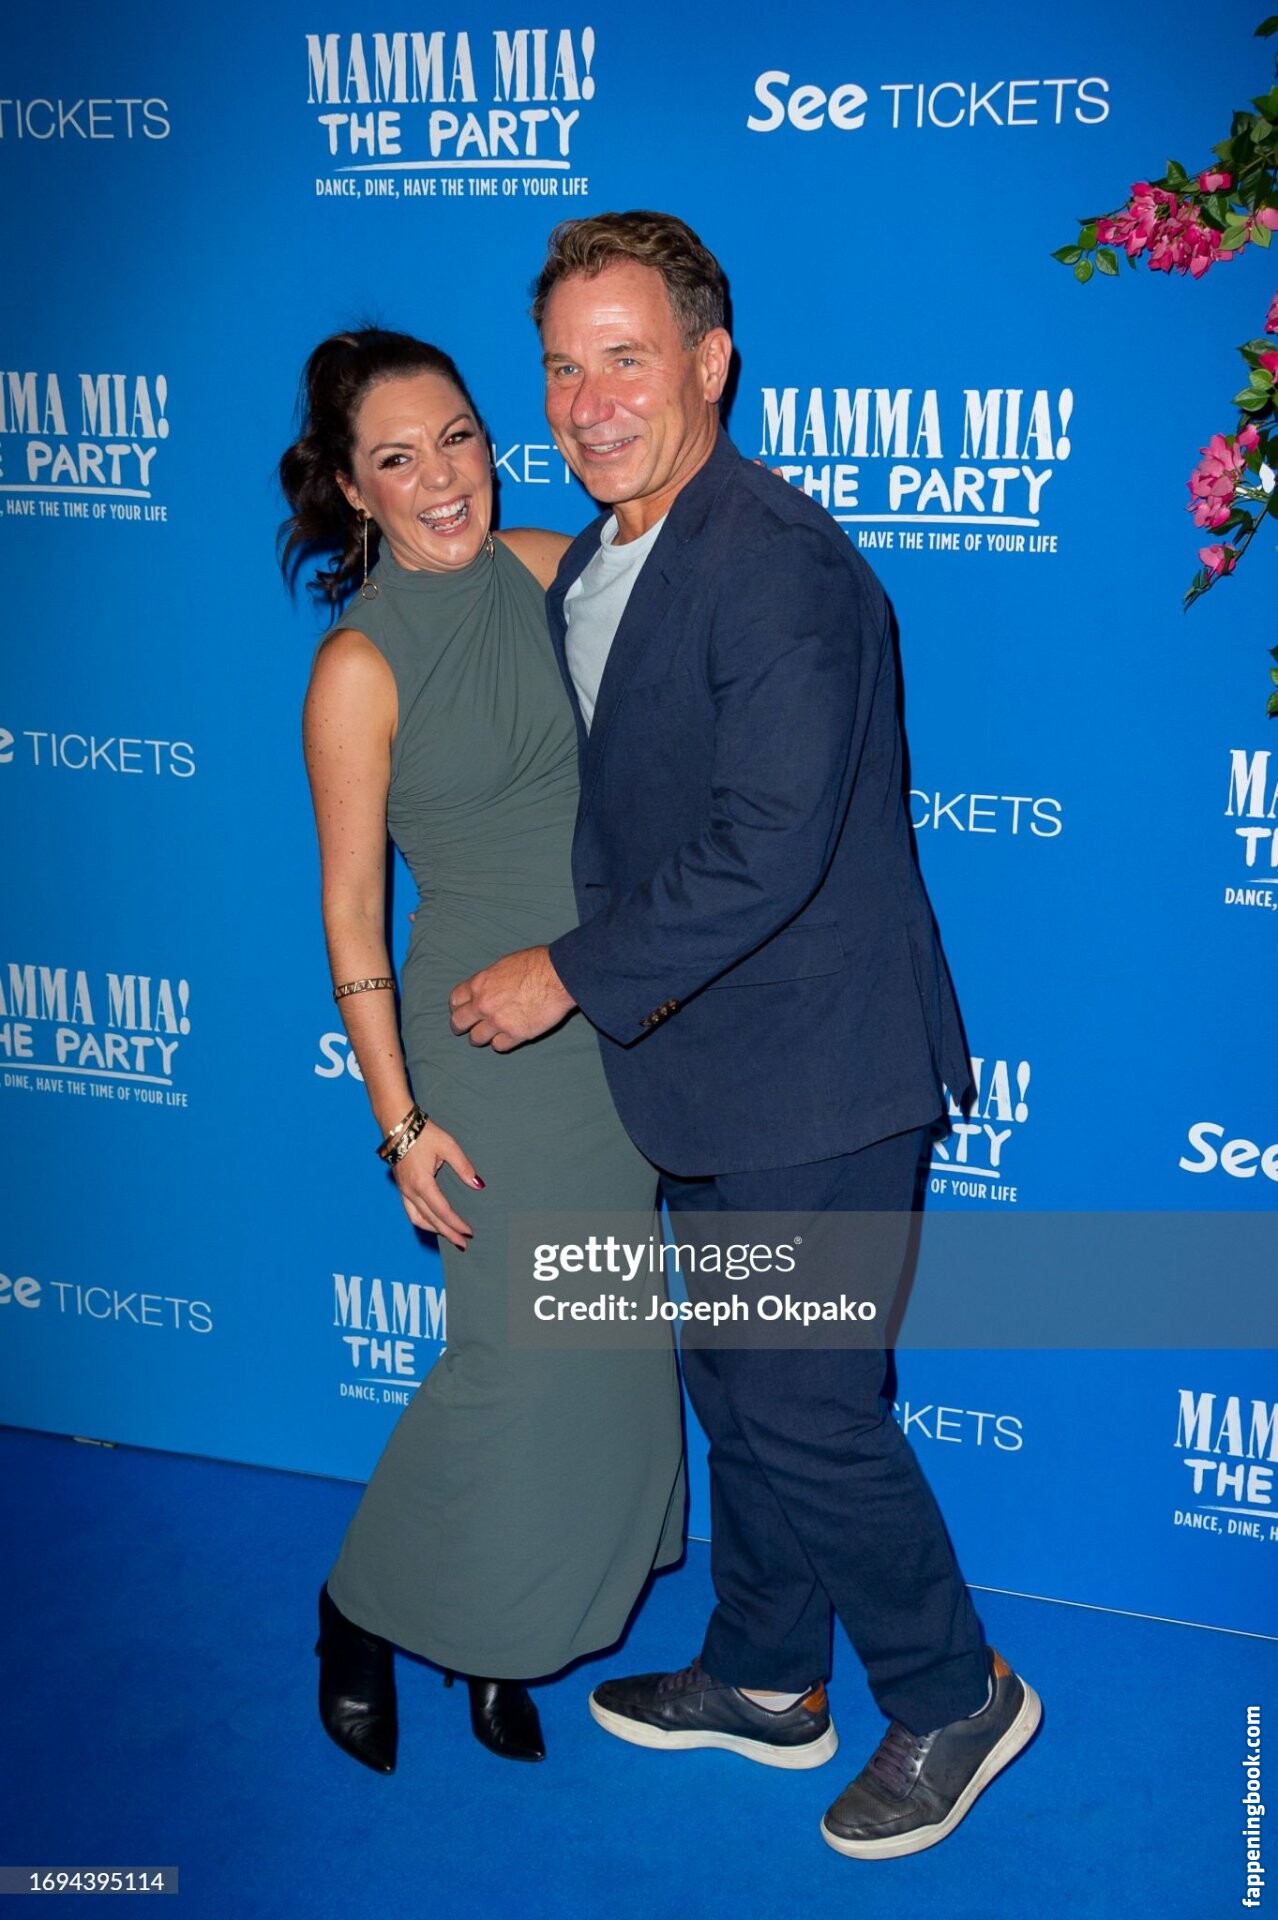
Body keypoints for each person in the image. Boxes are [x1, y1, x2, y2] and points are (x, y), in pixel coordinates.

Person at [448, 213, 1041, 1857]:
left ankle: (954, 1694)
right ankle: (771, 1676)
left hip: (817, 1071)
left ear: (709, 362)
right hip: (710, 1066)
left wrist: (563, 974)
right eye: (561, 368)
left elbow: (764, 845)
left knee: (801, 1404)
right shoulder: (606, 551)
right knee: (738, 1381)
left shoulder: (775, 563)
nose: (588, 401)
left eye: (625, 359)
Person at [279, 327, 685, 1773]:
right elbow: (351, 920)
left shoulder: (541, 567)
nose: (442, 476)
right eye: (398, 458)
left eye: (457, 437)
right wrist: (399, 1125)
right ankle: (356, 1608)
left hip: (601, 1017)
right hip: (482, 1047)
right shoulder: (356, 666)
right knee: (511, 1363)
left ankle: (494, 1642)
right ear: (352, 489)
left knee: (597, 1358)